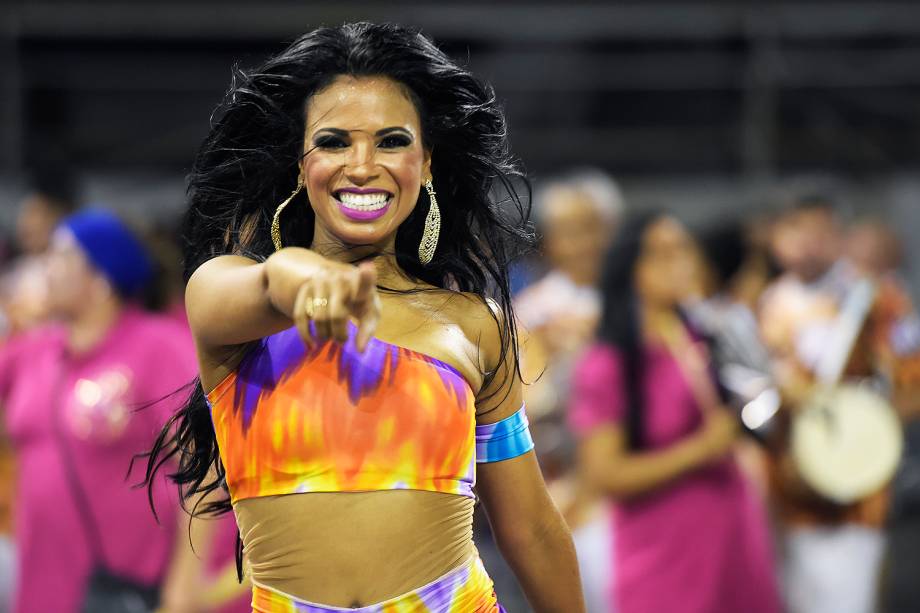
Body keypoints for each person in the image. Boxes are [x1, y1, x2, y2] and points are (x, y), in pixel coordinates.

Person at [141, 22, 583, 613]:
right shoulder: (227, 297)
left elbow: (531, 528)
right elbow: (269, 281)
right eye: (333, 141)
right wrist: (302, 279)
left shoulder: (475, 324)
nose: (363, 164)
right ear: (300, 167)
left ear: (425, 164)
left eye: (392, 140)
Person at [568, 211, 782, 613]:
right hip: (665, 554)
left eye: (683, 249)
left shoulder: (702, 334)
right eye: (660, 254)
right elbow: (605, 474)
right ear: (630, 267)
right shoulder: (608, 363)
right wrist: (702, 449)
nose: (679, 263)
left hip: (736, 537)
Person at [0, 209, 208, 612]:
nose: (45, 266)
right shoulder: (36, 350)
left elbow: (203, 472)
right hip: (43, 589)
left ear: (99, 280)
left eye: (61, 256)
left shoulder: (157, 347)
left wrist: (184, 586)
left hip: (125, 588)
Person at [759, 197, 920, 613]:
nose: (808, 245)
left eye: (821, 233)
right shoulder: (763, 304)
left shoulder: (876, 299)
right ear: (777, 238)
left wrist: (866, 430)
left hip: (850, 498)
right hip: (780, 491)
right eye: (797, 232)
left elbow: (912, 381)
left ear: (839, 239)